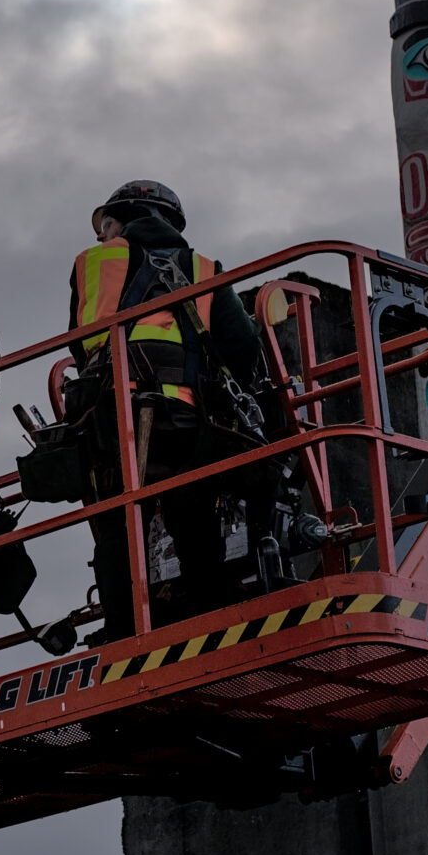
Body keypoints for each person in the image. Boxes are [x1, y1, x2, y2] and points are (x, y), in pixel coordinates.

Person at [66, 180, 272, 640]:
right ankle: (210, 621)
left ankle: (124, 634)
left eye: (107, 223)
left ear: (125, 218)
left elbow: (80, 344)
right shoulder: (204, 268)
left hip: (115, 413)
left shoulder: (93, 262)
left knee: (120, 526)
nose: (103, 234)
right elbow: (241, 349)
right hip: (186, 420)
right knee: (193, 514)